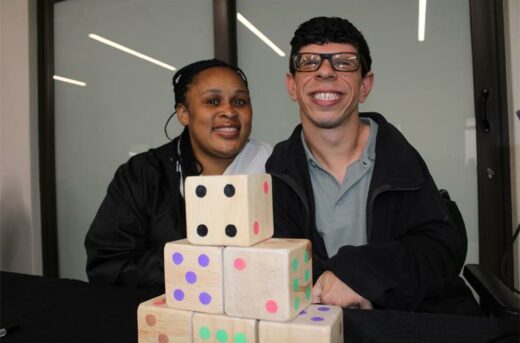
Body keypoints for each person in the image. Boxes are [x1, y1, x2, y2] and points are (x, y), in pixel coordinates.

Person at [266, 16, 481, 315]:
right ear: (292, 86)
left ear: (365, 85)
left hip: (403, 324)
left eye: (344, 62)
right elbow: (272, 268)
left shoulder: (400, 160)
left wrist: (357, 276)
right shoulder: (275, 173)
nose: (325, 71)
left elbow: (440, 252)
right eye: (309, 62)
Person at [85, 59, 272, 290]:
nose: (229, 111)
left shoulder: (276, 168)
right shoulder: (143, 175)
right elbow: (108, 266)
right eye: (213, 101)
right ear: (184, 113)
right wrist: (195, 263)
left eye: (239, 101)